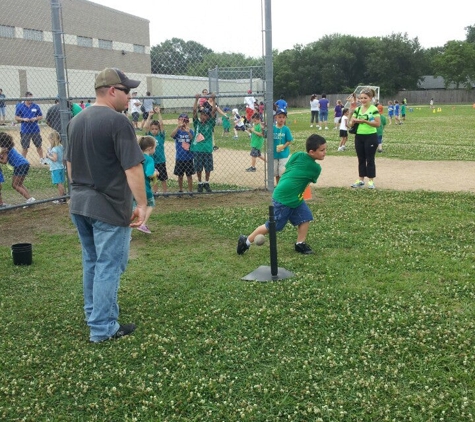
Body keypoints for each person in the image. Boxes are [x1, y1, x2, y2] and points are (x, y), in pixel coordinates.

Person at [65, 67, 147, 343]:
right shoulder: (118, 122)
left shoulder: (76, 121)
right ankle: (102, 327)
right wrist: (143, 205)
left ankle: (95, 314)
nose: (130, 96)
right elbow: (133, 168)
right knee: (109, 265)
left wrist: (80, 191)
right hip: (109, 207)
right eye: (127, 91)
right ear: (113, 91)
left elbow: (70, 165)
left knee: (92, 261)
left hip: (79, 203)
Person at [237, 134, 327, 256]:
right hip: (284, 198)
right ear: (311, 152)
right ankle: (246, 241)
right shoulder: (316, 169)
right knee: (274, 226)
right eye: (322, 150)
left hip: (294, 198)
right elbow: (309, 180)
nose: (324, 152)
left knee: (305, 217)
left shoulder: (298, 155)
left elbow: (289, 167)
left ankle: (300, 244)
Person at [348, 87, 380, 189]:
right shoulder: (357, 109)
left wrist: (365, 121)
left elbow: (377, 124)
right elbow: (351, 123)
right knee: (361, 158)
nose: (362, 100)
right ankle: (361, 180)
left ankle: (371, 181)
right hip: (359, 136)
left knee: (370, 159)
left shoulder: (374, 109)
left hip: (370, 136)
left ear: (370, 98)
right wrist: (353, 120)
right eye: (361, 98)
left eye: (365, 98)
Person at [191, 93, 216, 193]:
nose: (203, 116)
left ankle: (206, 182)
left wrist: (213, 100)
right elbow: (193, 111)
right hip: (197, 149)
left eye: (205, 115)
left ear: (208, 116)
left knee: (208, 168)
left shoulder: (210, 123)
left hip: (207, 149)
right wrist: (196, 100)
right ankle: (200, 183)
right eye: (201, 114)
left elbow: (213, 111)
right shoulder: (197, 123)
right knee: (198, 168)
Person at [0, 132, 35, 203]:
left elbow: (4, 161)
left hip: (20, 165)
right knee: (19, 184)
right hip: (23, 164)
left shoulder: (5, 149)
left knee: (15, 185)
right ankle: (30, 199)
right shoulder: (8, 147)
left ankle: (29, 199)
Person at [135, 136, 159, 234]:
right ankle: (142, 224)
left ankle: (126, 232)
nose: (155, 149)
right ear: (149, 148)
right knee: (151, 203)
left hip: (132, 188)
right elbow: (149, 174)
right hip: (144, 188)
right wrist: (156, 173)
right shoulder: (149, 159)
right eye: (155, 147)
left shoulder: (136, 157)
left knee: (132, 209)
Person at [15, 91, 46, 163]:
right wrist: (23, 119)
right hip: (25, 130)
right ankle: (23, 161)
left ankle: (42, 159)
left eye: (32, 98)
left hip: (35, 129)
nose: (31, 100)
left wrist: (35, 118)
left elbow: (41, 116)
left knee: (39, 145)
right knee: (25, 147)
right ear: (25, 98)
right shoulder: (20, 106)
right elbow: (16, 117)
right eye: (29, 98)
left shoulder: (35, 106)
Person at [144, 106, 167, 195]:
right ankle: (155, 192)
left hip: (161, 160)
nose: (154, 131)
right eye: (152, 129)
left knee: (163, 178)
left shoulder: (160, 136)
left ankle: (165, 192)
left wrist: (158, 113)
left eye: (156, 129)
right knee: (154, 178)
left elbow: (161, 124)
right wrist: (149, 116)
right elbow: (146, 126)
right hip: (152, 161)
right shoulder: (149, 136)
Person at [171, 113, 195, 196]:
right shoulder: (178, 131)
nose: (183, 123)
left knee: (189, 175)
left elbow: (192, 139)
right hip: (180, 158)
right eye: (181, 120)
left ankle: (190, 191)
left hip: (188, 157)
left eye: (185, 121)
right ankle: (180, 190)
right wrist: (178, 127)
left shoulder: (190, 130)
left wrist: (188, 132)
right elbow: (172, 135)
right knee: (180, 175)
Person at [273, 108, 294, 185]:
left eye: (283, 117)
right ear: (276, 117)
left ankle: (281, 186)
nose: (281, 119)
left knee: (282, 171)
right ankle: (278, 186)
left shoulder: (286, 129)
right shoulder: (273, 128)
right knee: (275, 172)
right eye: (280, 117)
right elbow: (266, 136)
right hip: (274, 154)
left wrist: (283, 147)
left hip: (283, 154)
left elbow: (289, 140)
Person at [45, 131, 66, 204]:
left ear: (53, 139)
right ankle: (64, 196)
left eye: (50, 140)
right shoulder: (60, 146)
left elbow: (54, 159)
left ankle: (61, 198)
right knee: (61, 183)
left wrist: (48, 156)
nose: (49, 141)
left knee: (58, 183)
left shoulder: (54, 149)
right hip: (61, 166)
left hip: (55, 168)